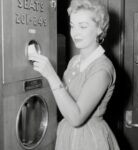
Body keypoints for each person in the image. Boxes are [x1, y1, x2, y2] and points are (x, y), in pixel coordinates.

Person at [28, 0, 120, 149]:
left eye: (83, 26)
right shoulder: (74, 61)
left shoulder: (102, 69)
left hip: (89, 140)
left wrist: (51, 75)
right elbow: (63, 100)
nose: (75, 33)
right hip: (67, 135)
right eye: (72, 26)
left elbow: (76, 117)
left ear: (99, 29)